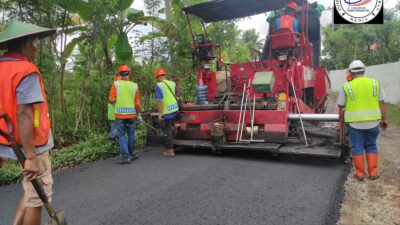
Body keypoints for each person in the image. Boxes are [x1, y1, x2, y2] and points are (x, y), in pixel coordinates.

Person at [0, 20, 56, 225]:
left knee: (30, 188)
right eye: (35, 42)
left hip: (9, 141)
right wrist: (31, 156)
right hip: (31, 144)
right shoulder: (25, 70)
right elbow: (24, 114)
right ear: (24, 44)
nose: (37, 47)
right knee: (36, 198)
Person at [338, 60, 388, 181]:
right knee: (371, 145)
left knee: (357, 147)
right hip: (373, 123)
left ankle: (360, 174)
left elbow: (340, 104)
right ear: (364, 71)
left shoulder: (347, 86)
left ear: (350, 72)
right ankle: (373, 173)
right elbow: (382, 103)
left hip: (355, 124)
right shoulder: (375, 83)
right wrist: (384, 119)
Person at [109, 64, 142, 164]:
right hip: (132, 115)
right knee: (131, 134)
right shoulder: (134, 85)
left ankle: (126, 157)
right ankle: (132, 154)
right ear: (129, 74)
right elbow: (137, 103)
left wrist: (114, 101)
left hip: (120, 115)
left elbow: (111, 99)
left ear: (119, 73)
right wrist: (139, 114)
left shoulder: (116, 84)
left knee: (121, 135)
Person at [154, 69, 179, 157]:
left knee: (167, 130)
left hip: (168, 111)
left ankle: (170, 150)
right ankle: (173, 143)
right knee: (172, 127)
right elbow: (176, 94)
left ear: (157, 77)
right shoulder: (172, 83)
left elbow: (160, 101)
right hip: (175, 108)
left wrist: (160, 114)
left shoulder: (159, 85)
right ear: (165, 75)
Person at [107, 74, 122, 141]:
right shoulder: (115, 91)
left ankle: (113, 141)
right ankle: (111, 138)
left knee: (115, 129)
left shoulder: (117, 91)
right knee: (115, 130)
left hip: (114, 114)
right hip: (114, 114)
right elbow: (111, 100)